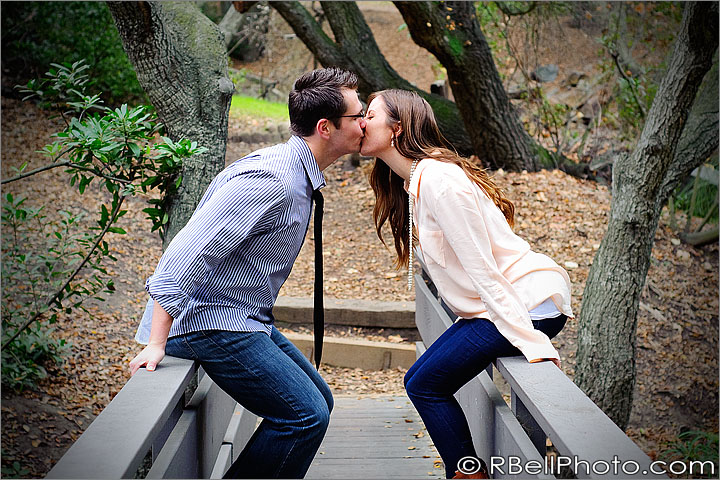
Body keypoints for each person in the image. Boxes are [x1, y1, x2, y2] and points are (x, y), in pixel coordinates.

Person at [129, 67, 366, 479]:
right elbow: (184, 255)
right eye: (358, 116)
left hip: (242, 316)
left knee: (319, 403)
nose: (365, 122)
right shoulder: (272, 180)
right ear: (326, 127)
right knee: (304, 417)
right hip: (206, 321)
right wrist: (156, 342)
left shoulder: (296, 171)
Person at [360, 89, 573, 479]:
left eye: (369, 115)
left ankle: (468, 474)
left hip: (527, 301)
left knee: (424, 383)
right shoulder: (415, 182)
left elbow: (483, 269)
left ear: (398, 127)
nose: (360, 121)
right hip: (497, 304)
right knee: (421, 379)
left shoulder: (440, 181)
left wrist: (529, 338)